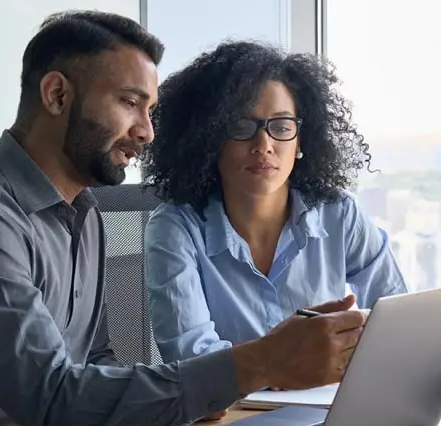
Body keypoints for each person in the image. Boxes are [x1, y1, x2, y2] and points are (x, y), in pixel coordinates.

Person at [0, 11, 367, 426]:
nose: (146, 132)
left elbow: (94, 363)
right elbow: (52, 400)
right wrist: (261, 362)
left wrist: (189, 405)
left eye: (150, 110)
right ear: (57, 95)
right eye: (129, 103)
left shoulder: (84, 214)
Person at [141, 41, 408, 370]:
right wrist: (288, 364)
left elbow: (397, 318)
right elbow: (193, 362)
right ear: (209, 140)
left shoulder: (339, 213)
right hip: (231, 417)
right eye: (241, 127)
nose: (263, 145)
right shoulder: (175, 228)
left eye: (281, 127)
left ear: (300, 142)